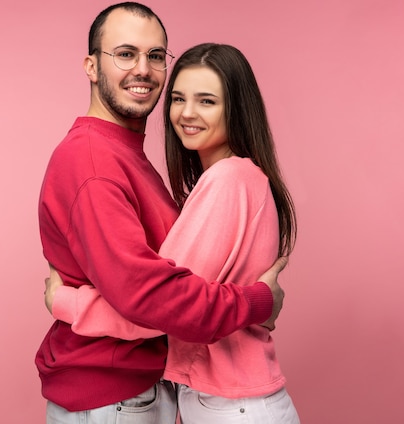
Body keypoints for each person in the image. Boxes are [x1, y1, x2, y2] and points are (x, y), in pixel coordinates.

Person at [37, 3, 288, 423]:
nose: (143, 69)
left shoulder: (136, 159)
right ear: (92, 66)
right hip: (114, 390)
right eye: (125, 53)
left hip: (141, 392)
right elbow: (152, 299)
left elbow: (161, 294)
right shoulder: (93, 162)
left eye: (155, 56)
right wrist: (258, 301)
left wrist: (65, 301)